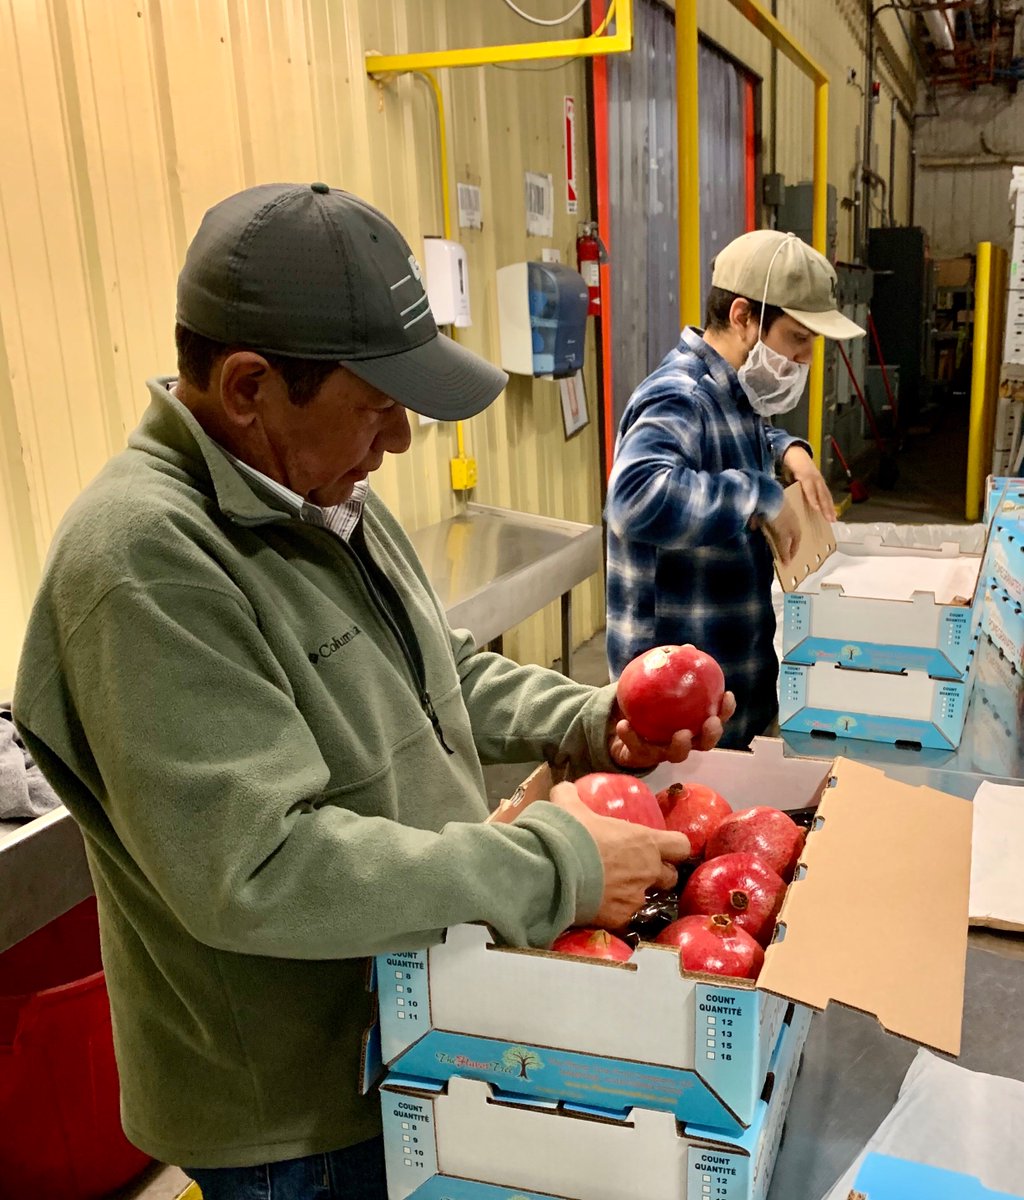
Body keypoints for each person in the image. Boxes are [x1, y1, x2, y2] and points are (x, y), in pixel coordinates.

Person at [13, 183, 735, 1200]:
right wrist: (553, 863)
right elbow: (258, 867)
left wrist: (586, 719)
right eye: (377, 405)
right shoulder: (143, 563)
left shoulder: (321, 492)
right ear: (249, 386)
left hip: (410, 1028)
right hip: (293, 1119)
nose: (396, 442)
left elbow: (440, 671)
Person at [605, 229, 865, 750]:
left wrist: (787, 449)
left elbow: (731, 442)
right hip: (677, 713)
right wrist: (758, 496)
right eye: (798, 338)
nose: (805, 360)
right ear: (744, 315)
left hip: (731, 690)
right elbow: (635, 497)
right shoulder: (679, 394)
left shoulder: (735, 394)